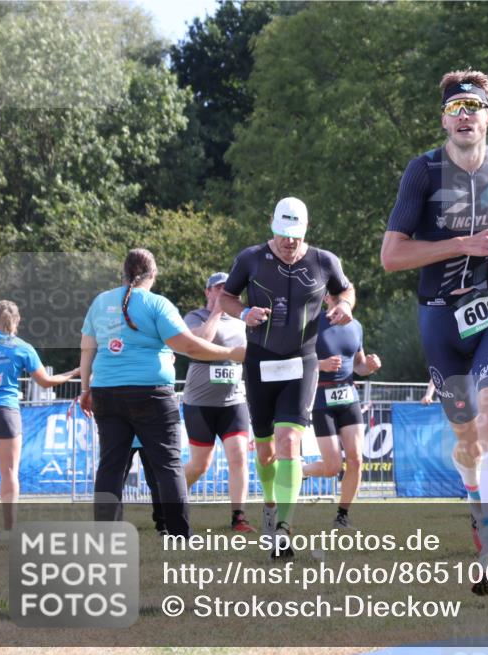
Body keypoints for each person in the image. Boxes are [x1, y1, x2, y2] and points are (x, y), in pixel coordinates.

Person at [380, 69, 488, 597]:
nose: (463, 115)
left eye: (472, 107)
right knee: (465, 435)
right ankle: (476, 500)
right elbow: (392, 256)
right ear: (443, 119)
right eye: (455, 107)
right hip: (438, 316)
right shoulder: (423, 172)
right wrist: (464, 244)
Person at [220, 196, 355, 559]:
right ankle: (269, 505)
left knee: (289, 443)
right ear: (272, 226)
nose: (288, 243)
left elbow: (346, 289)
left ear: (305, 231)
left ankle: (284, 527)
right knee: (265, 453)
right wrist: (244, 312)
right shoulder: (250, 258)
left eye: (294, 236)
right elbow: (227, 298)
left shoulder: (324, 261)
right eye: (282, 235)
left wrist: (343, 305)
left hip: (302, 361)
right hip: (260, 361)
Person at [80, 249, 244, 539]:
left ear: (124, 272)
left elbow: (86, 349)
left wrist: (84, 389)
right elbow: (190, 347)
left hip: (105, 390)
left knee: (110, 465)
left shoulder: (100, 302)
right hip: (151, 393)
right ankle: (179, 533)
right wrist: (231, 352)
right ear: (153, 274)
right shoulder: (157, 304)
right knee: (167, 465)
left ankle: (105, 535)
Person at [0, 301, 79, 535]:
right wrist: (73, 372)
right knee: (10, 471)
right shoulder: (23, 347)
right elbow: (45, 382)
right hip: (6, 411)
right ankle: (9, 528)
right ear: (18, 321)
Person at [180, 272, 254, 533]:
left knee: (239, 456)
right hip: (199, 403)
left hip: (234, 402)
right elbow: (200, 342)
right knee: (200, 465)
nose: (223, 292)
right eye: (218, 288)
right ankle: (171, 499)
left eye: (228, 289)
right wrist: (216, 313)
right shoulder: (195, 317)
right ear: (208, 292)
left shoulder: (243, 321)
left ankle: (239, 517)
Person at [305, 296, 382, 530]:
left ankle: (342, 516)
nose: (342, 299)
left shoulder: (356, 326)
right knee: (332, 467)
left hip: (349, 397)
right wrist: (320, 364)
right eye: (336, 294)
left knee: (356, 459)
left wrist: (369, 366)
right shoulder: (311, 323)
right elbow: (297, 360)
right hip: (321, 398)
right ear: (326, 297)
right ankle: (300, 469)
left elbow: (358, 365)